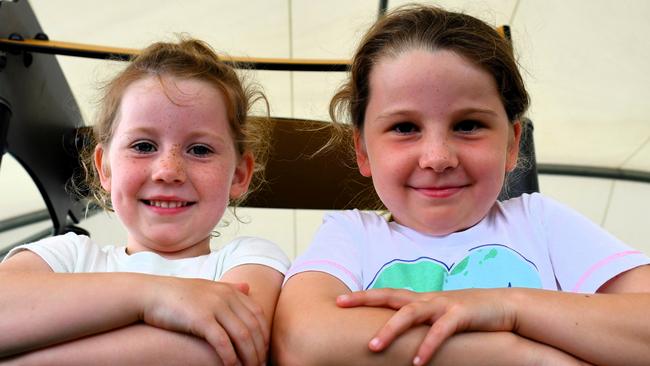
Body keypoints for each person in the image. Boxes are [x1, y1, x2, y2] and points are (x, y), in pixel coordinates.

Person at [273, 5, 650, 366]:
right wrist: (521, 355)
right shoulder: (350, 236)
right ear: (363, 151)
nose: (437, 157)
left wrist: (508, 308)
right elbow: (302, 340)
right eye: (404, 128)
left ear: (512, 144)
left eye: (468, 125)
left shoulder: (541, 222)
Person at [0, 38, 289, 366]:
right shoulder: (67, 256)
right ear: (104, 167)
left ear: (238, 175)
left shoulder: (250, 258)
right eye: (143, 145)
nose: (169, 171)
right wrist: (152, 297)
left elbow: (227, 350)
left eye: (200, 150)